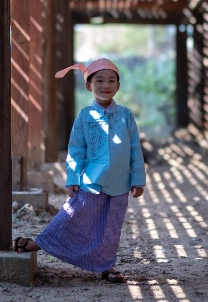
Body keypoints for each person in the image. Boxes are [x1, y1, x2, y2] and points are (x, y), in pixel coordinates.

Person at [14, 58, 146, 283]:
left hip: (120, 184)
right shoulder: (84, 116)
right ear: (88, 86)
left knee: (111, 228)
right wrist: (72, 178)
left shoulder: (126, 115)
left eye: (111, 80)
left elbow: (135, 149)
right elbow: (75, 150)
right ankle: (40, 243)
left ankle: (107, 267)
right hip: (91, 181)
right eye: (100, 80)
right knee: (72, 215)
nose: (106, 85)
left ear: (118, 85)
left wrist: (138, 179)